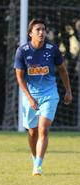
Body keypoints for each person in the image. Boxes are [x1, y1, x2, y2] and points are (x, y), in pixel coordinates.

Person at [14, 19, 72, 176]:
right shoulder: (22, 51)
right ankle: (35, 158)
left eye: (43, 29)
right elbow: (19, 77)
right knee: (32, 132)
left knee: (43, 129)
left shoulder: (52, 49)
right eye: (38, 29)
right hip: (30, 96)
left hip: (50, 94)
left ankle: (38, 166)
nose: (41, 32)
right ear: (30, 33)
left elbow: (62, 70)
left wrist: (68, 90)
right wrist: (30, 98)